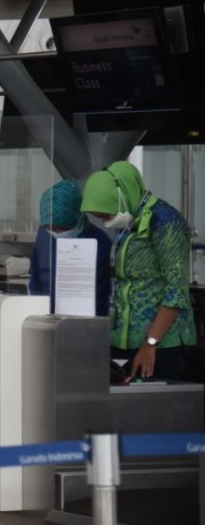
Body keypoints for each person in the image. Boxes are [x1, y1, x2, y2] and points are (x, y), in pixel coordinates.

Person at [81, 161, 196, 382]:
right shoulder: (130, 223)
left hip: (160, 346)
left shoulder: (166, 221)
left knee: (150, 412)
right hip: (124, 342)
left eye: (106, 215)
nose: (105, 222)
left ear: (123, 197)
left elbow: (176, 290)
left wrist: (151, 343)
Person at [29, 180, 111, 317]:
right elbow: (36, 279)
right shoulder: (44, 235)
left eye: (62, 228)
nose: (56, 233)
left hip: (85, 322)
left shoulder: (100, 243)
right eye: (50, 228)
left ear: (78, 219)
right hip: (46, 317)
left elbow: (98, 298)